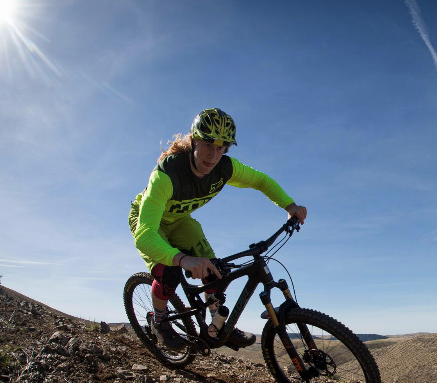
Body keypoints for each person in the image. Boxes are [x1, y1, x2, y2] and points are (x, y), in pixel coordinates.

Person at [129, 108, 307, 349]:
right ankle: (159, 323)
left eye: (222, 147)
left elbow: (261, 181)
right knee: (169, 272)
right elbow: (144, 235)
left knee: (214, 269)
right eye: (208, 144)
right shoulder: (167, 175)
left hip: (180, 221)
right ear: (194, 141)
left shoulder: (224, 168)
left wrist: (290, 205)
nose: (213, 155)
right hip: (149, 222)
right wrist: (181, 259)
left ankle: (217, 326)